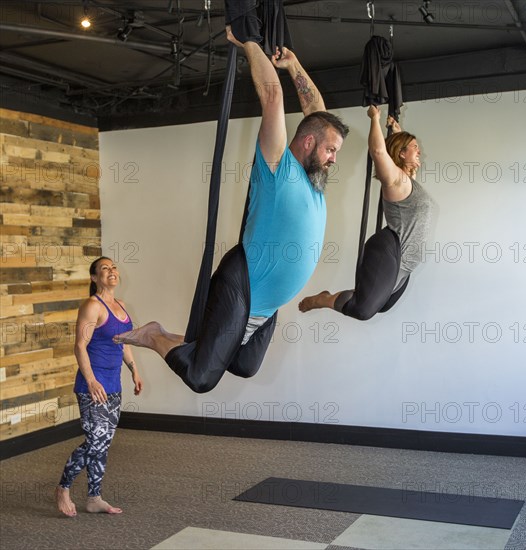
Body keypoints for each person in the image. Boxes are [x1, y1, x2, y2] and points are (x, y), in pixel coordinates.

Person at [112, 30, 349, 392]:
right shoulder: (277, 168)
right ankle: (154, 336)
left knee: (244, 365)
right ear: (308, 142)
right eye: (331, 150)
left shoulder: (314, 181)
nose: (334, 159)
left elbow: (318, 111)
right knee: (201, 377)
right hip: (243, 285)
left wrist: (294, 64)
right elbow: (271, 96)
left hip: (265, 308)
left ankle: (177, 339)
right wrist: (248, 41)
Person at [299, 105, 435, 319]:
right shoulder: (395, 180)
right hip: (391, 251)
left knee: (382, 305)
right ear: (401, 153)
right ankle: (322, 300)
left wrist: (397, 130)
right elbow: (379, 152)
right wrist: (374, 118)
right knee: (362, 310)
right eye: (415, 147)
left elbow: (396, 154)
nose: (419, 151)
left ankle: (330, 297)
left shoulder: (408, 181)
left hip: (404, 265)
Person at [55, 257, 143, 517]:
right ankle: (63, 488)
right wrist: (92, 380)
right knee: (96, 441)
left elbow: (123, 341)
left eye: (113, 267)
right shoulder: (92, 306)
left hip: (113, 384)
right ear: (94, 278)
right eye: (104, 268)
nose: (111, 271)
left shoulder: (121, 306)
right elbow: (79, 346)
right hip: (92, 384)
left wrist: (134, 368)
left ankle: (94, 498)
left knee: (103, 443)